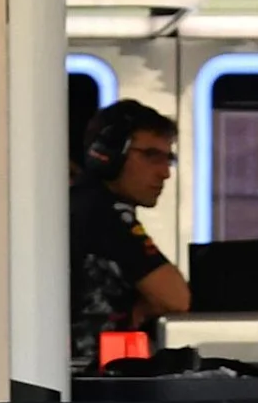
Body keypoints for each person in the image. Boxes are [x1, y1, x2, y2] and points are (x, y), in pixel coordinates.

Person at [71, 100, 189, 373]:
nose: (165, 172)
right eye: (151, 156)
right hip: (90, 386)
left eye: (167, 159)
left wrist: (145, 305)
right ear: (108, 154)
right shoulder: (103, 214)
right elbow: (175, 298)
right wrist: (150, 303)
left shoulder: (80, 205)